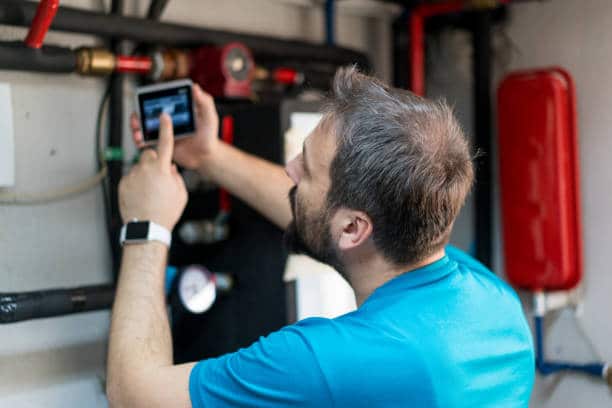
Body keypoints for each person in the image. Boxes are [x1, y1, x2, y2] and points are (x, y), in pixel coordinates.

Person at [106, 67, 534, 408]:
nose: (289, 169)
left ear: (353, 229)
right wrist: (210, 156)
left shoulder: (325, 362)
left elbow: (134, 395)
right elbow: (320, 215)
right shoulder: (494, 302)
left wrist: (147, 226)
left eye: (305, 169)